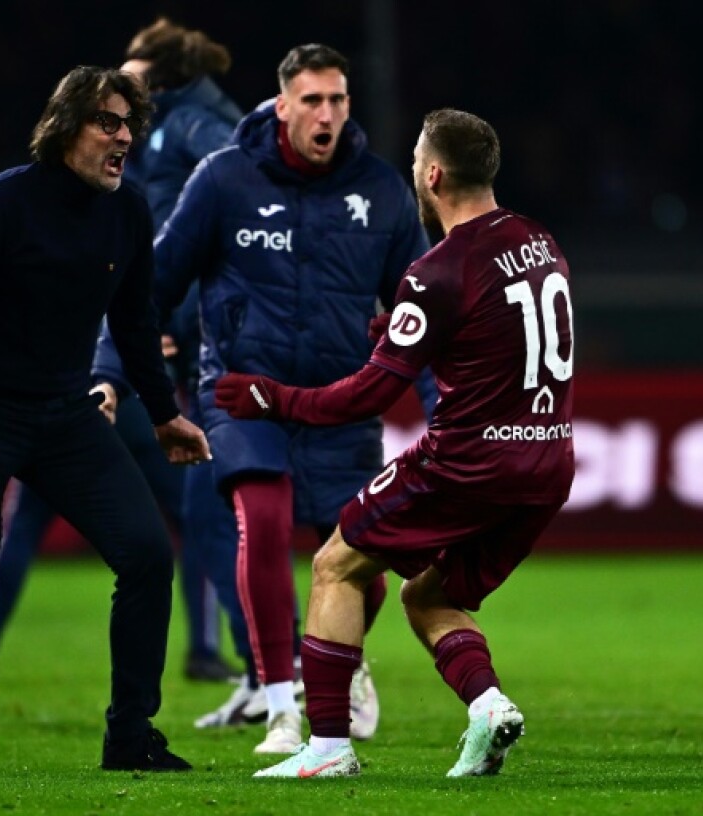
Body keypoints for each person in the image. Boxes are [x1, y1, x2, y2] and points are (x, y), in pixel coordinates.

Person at [0, 66, 211, 777]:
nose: (124, 137)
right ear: (66, 128)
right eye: (108, 123)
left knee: (149, 557)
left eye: (129, 125)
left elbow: (136, 323)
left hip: (64, 414)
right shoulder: (2, 205)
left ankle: (129, 736)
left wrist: (164, 415)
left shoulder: (130, 210)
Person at [220, 108, 575, 779]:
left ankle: (326, 748)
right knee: (427, 595)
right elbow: (496, 331)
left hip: (467, 463)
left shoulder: (438, 269)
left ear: (434, 173)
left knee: (336, 565)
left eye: (416, 157)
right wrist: (413, 330)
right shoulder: (538, 239)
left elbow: (363, 398)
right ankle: (488, 708)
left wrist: (273, 398)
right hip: (549, 462)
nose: (412, 166)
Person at [151, 43, 435, 754]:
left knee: (357, 565)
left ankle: (342, 661)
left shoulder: (383, 192)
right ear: (282, 105)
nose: (327, 114)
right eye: (312, 100)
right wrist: (126, 355)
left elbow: (424, 311)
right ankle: (281, 705)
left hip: (342, 403)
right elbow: (157, 278)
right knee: (264, 522)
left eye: (338, 100)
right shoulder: (224, 179)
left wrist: (445, 408)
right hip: (243, 391)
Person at [0, 16, 247, 687]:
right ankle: (218, 654)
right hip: (104, 371)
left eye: (135, 67)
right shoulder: (147, 148)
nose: (124, 80)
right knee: (189, 515)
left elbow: (208, 232)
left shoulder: (192, 134)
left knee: (41, 520)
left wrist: (168, 318)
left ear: (164, 73)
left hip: (116, 361)